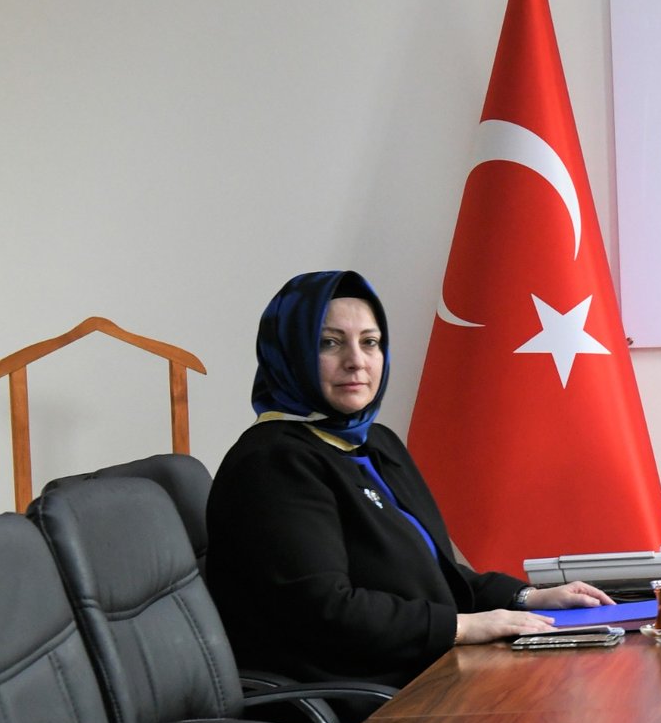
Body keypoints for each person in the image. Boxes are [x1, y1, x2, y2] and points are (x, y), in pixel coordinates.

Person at [207, 270, 611, 687]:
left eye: (370, 342)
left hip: (425, 667)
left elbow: (431, 573)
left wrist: (526, 597)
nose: (356, 361)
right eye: (329, 343)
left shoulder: (375, 442)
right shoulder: (273, 462)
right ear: (288, 352)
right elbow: (325, 612)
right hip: (359, 695)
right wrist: (464, 626)